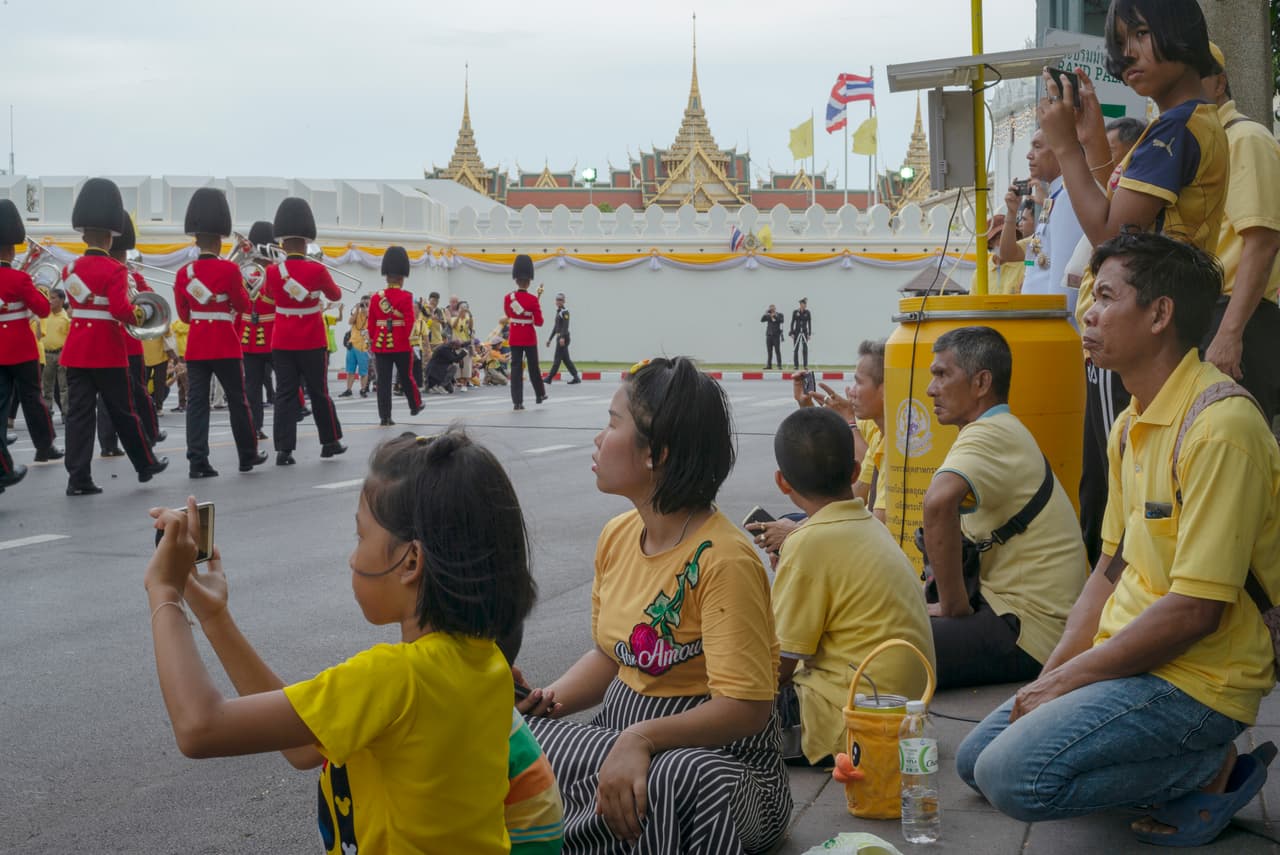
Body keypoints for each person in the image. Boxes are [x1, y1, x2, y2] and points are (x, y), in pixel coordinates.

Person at [957, 232, 1280, 846]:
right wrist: (1045, 682)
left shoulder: (1220, 427)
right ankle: (1146, 763)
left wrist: (1062, 686)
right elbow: (1106, 575)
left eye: (1105, 296)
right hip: (1130, 656)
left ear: (1160, 314)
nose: (1088, 313)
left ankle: (1208, 765)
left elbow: (1196, 611)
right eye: (1088, 296)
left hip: (1198, 681)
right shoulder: (1130, 423)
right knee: (976, 758)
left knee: (1013, 777)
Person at [144, 430, 540, 853]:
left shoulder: (395, 678)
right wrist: (215, 617)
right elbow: (301, 746)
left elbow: (199, 727)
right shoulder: (488, 664)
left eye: (361, 536)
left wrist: (163, 589)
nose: (353, 557)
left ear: (410, 561)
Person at [518, 357, 792, 855]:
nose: (599, 439)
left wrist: (642, 739)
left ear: (656, 453)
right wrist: (546, 701)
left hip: (725, 762)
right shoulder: (618, 535)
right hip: (618, 739)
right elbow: (609, 656)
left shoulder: (725, 560)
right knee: (510, 739)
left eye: (612, 423)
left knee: (679, 779)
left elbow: (748, 709)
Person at [1042, 0, 1228, 570]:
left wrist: (1065, 147)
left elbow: (1108, 232)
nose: (1130, 54)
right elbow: (1122, 211)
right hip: (1160, 321)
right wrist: (1093, 141)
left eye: (1143, 34)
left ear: (1184, 33)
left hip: (1141, 323)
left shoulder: (1176, 129)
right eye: (1123, 42)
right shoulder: (1186, 123)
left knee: (1110, 496)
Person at [922, 326, 1088, 689]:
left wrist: (952, 607)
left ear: (981, 382)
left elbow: (937, 503)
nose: (930, 388)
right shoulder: (996, 429)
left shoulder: (991, 433)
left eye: (942, 374)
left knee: (876, 646)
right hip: (1008, 611)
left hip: (1030, 631)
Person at [770, 407, 936, 765]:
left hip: (847, 721)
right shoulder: (870, 526)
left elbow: (777, 667)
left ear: (783, 482)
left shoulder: (808, 542)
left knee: (714, 704)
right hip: (901, 711)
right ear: (855, 472)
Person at [59, 178, 167, 495]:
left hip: (76, 351)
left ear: (83, 233)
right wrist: (142, 314)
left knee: (79, 417)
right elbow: (122, 310)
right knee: (123, 411)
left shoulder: (69, 270)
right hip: (106, 351)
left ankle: (77, 478)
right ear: (110, 236)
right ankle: (144, 464)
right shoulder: (115, 270)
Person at [1200, 42, 1280, 423]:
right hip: (1210, 314)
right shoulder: (1205, 143)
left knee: (1233, 449)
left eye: (1192, 78)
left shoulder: (1245, 138)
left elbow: (1262, 243)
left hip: (1236, 316)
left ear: (1219, 83)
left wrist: (1230, 333)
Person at [172, 187, 265, 478]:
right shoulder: (228, 271)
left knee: (197, 404)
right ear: (220, 238)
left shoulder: (183, 274)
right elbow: (243, 304)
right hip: (224, 341)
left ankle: (197, 460)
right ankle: (246, 455)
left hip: (198, 343)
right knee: (238, 400)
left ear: (196, 238)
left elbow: (185, 315)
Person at [264, 197, 345, 466]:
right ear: (307, 241)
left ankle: (283, 450)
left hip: (283, 339)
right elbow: (335, 293)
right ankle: (329, 442)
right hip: (311, 339)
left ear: (282, 242)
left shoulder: (274, 272)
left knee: (285, 394)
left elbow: (267, 295)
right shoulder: (317, 269)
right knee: (319, 391)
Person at [0, 198, 60, 468]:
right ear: (12, 251)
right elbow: (44, 309)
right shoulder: (21, 279)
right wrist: (37, 290)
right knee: (33, 401)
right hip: (22, 349)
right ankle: (44, 446)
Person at [100, 215, 164, 452]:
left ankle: (108, 443)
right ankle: (150, 432)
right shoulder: (131, 276)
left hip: (109, 342)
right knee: (138, 392)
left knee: (107, 398)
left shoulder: (110, 273)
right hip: (130, 343)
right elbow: (152, 301)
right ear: (125, 251)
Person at [1005, 131, 1086, 307]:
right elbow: (1014, 255)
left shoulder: (1067, 198)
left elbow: (1064, 281)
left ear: (1059, 151)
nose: (1029, 155)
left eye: (1037, 146)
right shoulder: (1054, 199)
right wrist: (1011, 214)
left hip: (1052, 322)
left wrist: (1056, 325)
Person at [367, 246, 423, 426]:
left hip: (381, 344)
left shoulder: (376, 297)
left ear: (386, 276)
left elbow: (371, 324)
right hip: (400, 343)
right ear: (401, 278)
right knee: (406, 376)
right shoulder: (406, 297)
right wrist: (411, 343)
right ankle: (415, 405)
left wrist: (374, 340)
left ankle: (385, 416)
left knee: (383, 381)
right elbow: (409, 322)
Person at [239, 220, 277, 441]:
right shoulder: (273, 272)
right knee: (286, 382)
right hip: (271, 334)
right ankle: (293, 414)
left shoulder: (243, 271)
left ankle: (255, 427)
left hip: (248, 336)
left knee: (252, 386)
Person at [505, 254, 546, 411]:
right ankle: (539, 394)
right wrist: (533, 309)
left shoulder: (508, 298)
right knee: (533, 367)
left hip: (515, 336)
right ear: (529, 281)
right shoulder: (533, 300)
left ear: (516, 280)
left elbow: (509, 314)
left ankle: (517, 402)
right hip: (529, 337)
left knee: (516, 370)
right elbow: (539, 322)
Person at [39, 287, 70, 422]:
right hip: (47, 354)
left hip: (61, 353)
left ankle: (66, 413)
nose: (50, 301)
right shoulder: (44, 315)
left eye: (53, 298)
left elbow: (70, 338)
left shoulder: (66, 318)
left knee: (64, 387)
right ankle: (47, 412)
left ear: (62, 300)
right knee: (47, 387)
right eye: (49, 298)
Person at [543, 292, 580, 384]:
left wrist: (562, 337)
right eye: (557, 300)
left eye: (561, 300)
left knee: (557, 358)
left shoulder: (565, 312)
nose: (559, 301)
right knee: (566, 359)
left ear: (564, 301)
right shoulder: (559, 312)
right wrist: (550, 339)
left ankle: (549, 378)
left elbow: (565, 326)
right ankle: (576, 377)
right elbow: (556, 327)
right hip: (559, 337)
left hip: (563, 338)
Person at [340, 296, 371, 398]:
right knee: (350, 370)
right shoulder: (356, 313)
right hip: (352, 345)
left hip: (363, 346)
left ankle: (363, 389)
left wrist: (367, 311)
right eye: (363, 303)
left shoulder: (372, 315)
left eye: (367, 303)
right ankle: (348, 389)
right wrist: (357, 309)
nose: (364, 305)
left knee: (363, 371)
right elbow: (350, 321)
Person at [452, 300, 477, 390]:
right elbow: (453, 326)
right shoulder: (454, 319)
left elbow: (470, 327)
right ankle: (460, 381)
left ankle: (465, 383)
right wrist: (459, 316)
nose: (463, 309)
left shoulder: (468, 319)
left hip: (466, 344)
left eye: (465, 307)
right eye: (461, 308)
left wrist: (470, 315)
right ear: (457, 309)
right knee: (457, 364)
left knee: (467, 364)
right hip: (456, 345)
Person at [789, 297, 811, 369]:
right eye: (802, 304)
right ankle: (796, 365)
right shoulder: (795, 312)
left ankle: (805, 365)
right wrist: (791, 332)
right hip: (797, 332)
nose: (803, 305)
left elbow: (809, 323)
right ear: (800, 304)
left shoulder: (807, 312)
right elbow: (792, 322)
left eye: (804, 304)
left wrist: (809, 334)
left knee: (805, 349)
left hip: (804, 332)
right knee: (796, 348)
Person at [760, 304, 784, 370]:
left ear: (775, 308)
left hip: (776, 336)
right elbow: (762, 320)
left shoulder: (779, 314)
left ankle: (779, 365)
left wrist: (774, 316)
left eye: (773, 308)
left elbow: (781, 320)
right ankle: (769, 365)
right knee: (769, 352)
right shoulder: (768, 316)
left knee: (777, 351)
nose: (772, 310)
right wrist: (765, 313)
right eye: (770, 308)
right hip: (769, 335)